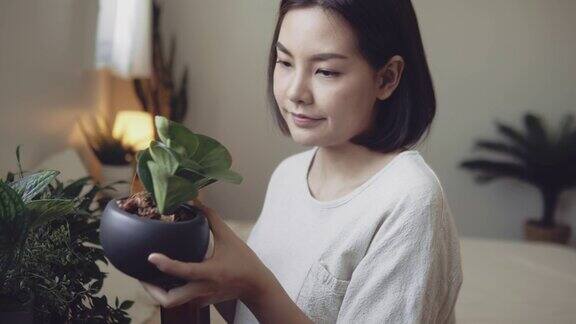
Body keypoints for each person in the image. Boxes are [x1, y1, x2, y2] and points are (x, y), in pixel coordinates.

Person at [141, 0, 463, 323]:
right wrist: (206, 270)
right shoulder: (289, 175)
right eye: (285, 62)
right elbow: (251, 315)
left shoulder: (409, 200)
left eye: (325, 71)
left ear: (387, 79)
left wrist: (255, 286)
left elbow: (261, 295)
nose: (295, 92)